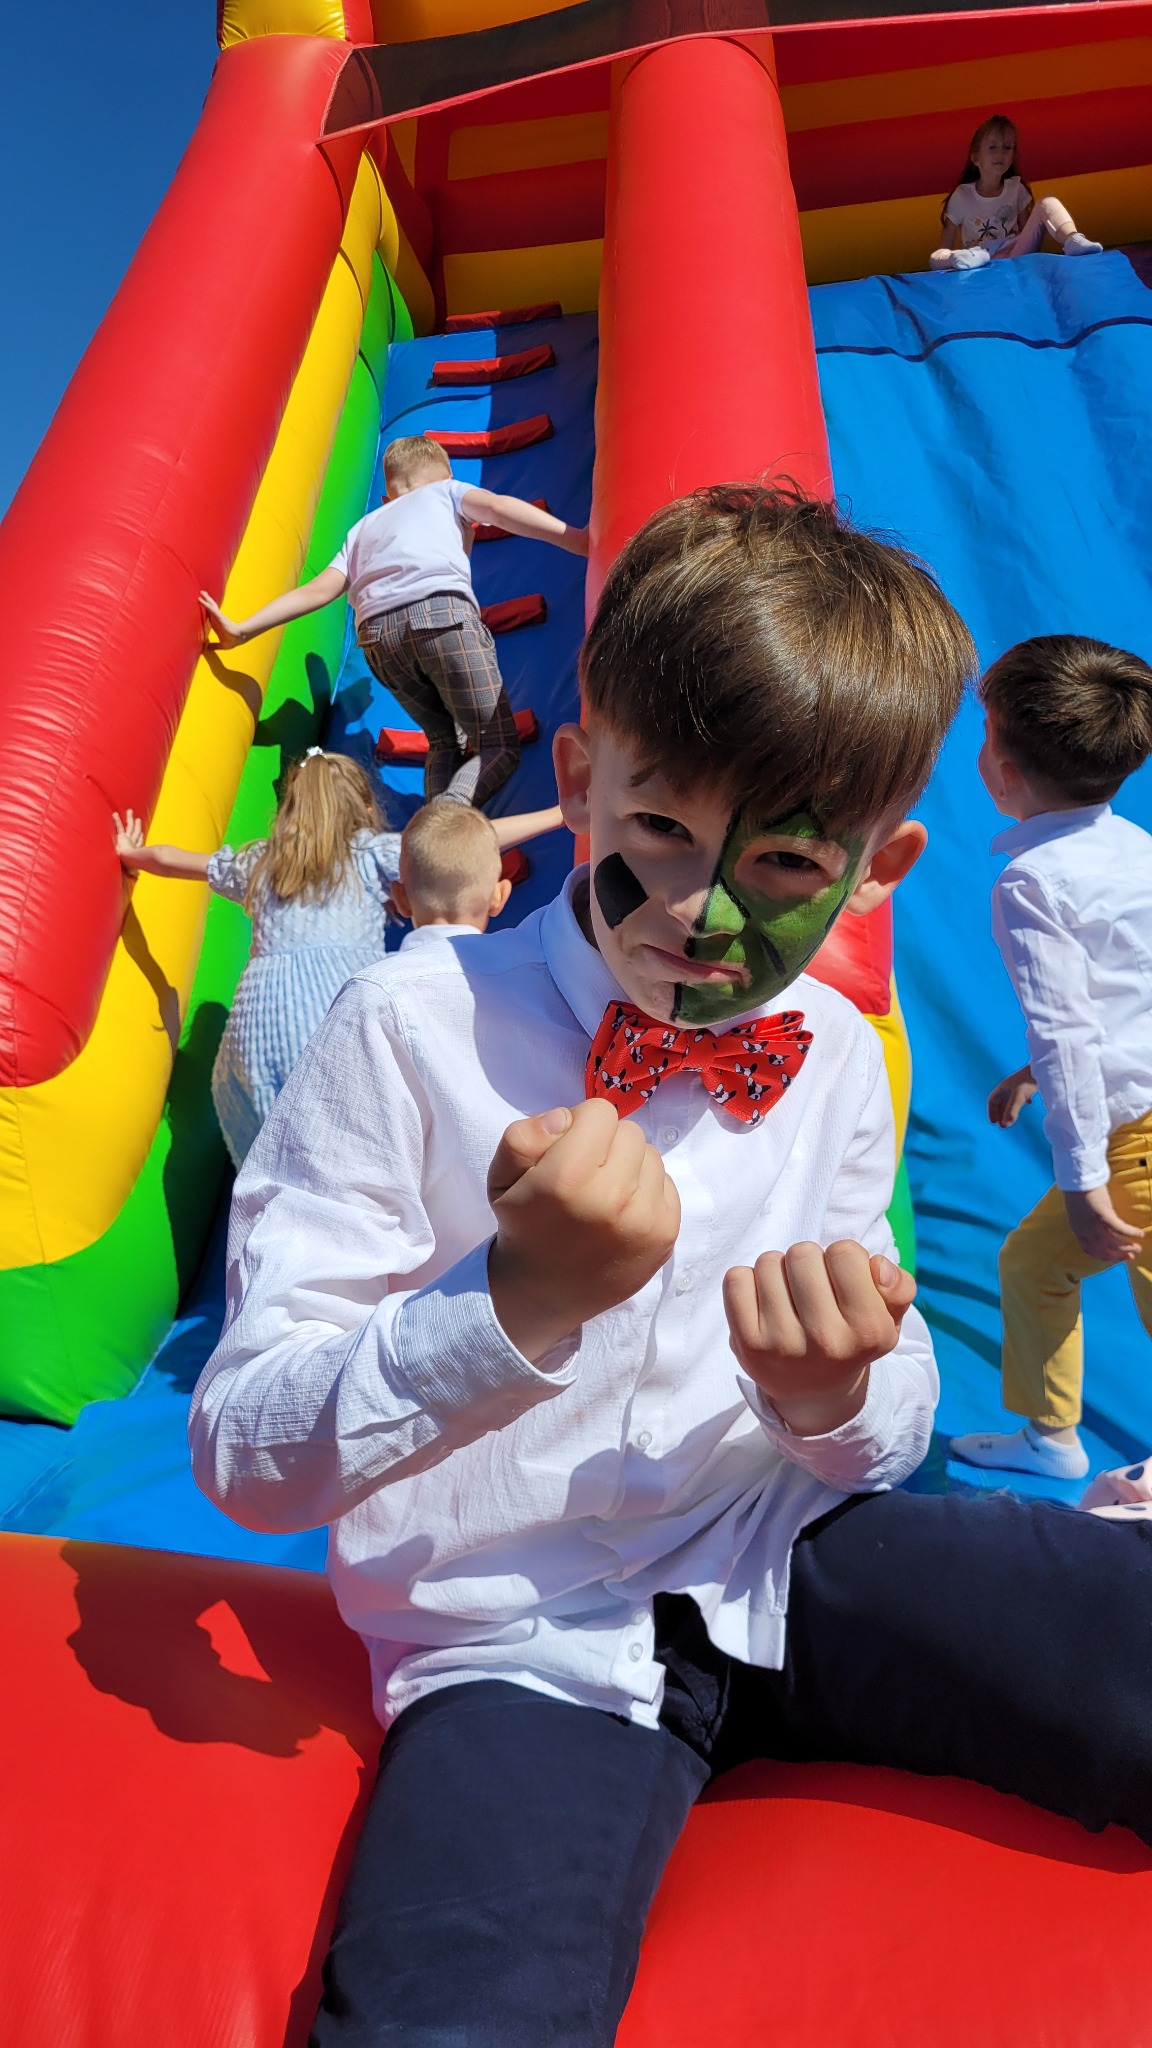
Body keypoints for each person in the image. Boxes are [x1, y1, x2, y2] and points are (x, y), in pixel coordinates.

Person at [189, 489, 1152, 2048]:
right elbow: (242, 1450)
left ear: (878, 862)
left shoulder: (835, 1051)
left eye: (781, 864)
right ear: (577, 783)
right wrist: (507, 1308)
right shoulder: (413, 1028)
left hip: (783, 1552)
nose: (703, 913)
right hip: (519, 1639)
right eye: (658, 832)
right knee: (454, 2016)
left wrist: (837, 1393)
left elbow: (891, 1395)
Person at [116, 750, 564, 1166]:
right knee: (357, 1128)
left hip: (256, 1030)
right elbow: (471, 841)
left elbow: (175, 861)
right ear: (365, 810)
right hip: (328, 1008)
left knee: (281, 1148)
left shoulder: (263, 861)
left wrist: (130, 853)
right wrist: (559, 815)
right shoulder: (366, 854)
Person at [949, 635, 1152, 1481]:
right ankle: (1050, 1437)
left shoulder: (1032, 884)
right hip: (1137, 1118)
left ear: (1001, 767)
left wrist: (1082, 1184)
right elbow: (1124, 999)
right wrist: (1032, 1071)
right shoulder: (1132, 845)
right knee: (1031, 1263)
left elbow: (1068, 1034)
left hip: (1134, 1146)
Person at [200, 435, 588, 808]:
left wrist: (243, 628)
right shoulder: (446, 492)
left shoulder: (361, 530)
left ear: (387, 498)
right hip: (441, 617)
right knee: (497, 744)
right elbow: (499, 508)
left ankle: (434, 830)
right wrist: (576, 539)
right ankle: (448, 817)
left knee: (441, 739)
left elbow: (317, 591)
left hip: (377, 639)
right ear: (446, 476)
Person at [930, 114, 1103, 272]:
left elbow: (1029, 232)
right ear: (976, 158)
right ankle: (960, 258)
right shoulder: (962, 196)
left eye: (1007, 148)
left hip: (1015, 255)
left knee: (1047, 201)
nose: (1000, 154)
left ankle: (1072, 239)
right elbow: (943, 246)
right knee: (937, 257)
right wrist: (950, 256)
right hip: (979, 257)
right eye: (992, 147)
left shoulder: (1016, 188)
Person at [391, 797, 563, 946]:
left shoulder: (372, 978)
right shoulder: (523, 969)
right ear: (499, 896)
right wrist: (558, 815)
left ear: (400, 899)